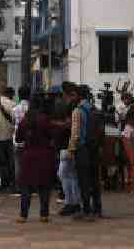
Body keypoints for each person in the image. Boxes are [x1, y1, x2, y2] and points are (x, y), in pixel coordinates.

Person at [15, 94, 57, 222]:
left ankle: (23, 215)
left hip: (28, 156)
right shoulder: (45, 119)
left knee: (26, 187)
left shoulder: (25, 120)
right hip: (45, 155)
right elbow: (52, 135)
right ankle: (44, 215)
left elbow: (18, 139)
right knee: (44, 187)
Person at [68, 85, 103, 219]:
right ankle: (97, 208)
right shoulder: (95, 109)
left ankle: (86, 210)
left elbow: (75, 132)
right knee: (94, 179)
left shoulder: (77, 111)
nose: (72, 98)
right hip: (94, 147)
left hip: (82, 149)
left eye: (73, 95)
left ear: (78, 96)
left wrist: (71, 149)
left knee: (83, 180)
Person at [57, 83, 82, 216]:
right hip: (69, 145)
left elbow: (70, 125)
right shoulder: (74, 106)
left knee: (63, 173)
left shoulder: (71, 106)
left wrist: (55, 124)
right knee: (71, 174)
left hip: (68, 145)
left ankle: (71, 202)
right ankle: (74, 202)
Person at [0, 87, 16, 192]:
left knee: (1, 162)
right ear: (10, 94)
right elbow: (14, 120)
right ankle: (10, 183)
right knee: (10, 162)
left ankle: (3, 183)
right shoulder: (12, 104)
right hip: (9, 136)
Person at [12, 85, 31, 195]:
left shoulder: (15, 109)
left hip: (17, 139)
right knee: (30, 163)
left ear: (19, 95)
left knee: (18, 164)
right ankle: (30, 186)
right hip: (29, 139)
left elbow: (14, 122)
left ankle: (19, 187)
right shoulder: (32, 108)